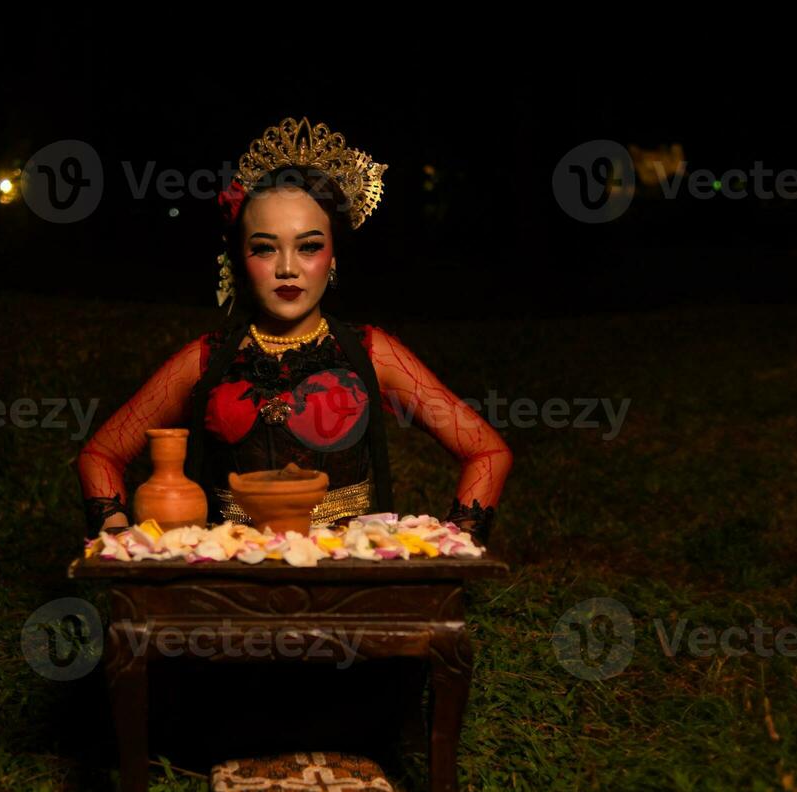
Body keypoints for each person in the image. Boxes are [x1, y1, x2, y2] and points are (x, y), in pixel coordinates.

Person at [76, 116, 511, 546]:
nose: (287, 268)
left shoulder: (372, 353)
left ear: (334, 258)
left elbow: (487, 451)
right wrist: (118, 535)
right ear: (240, 261)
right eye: (265, 248)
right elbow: (101, 454)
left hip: (349, 579)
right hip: (231, 579)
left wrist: (455, 544)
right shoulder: (205, 360)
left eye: (309, 246)